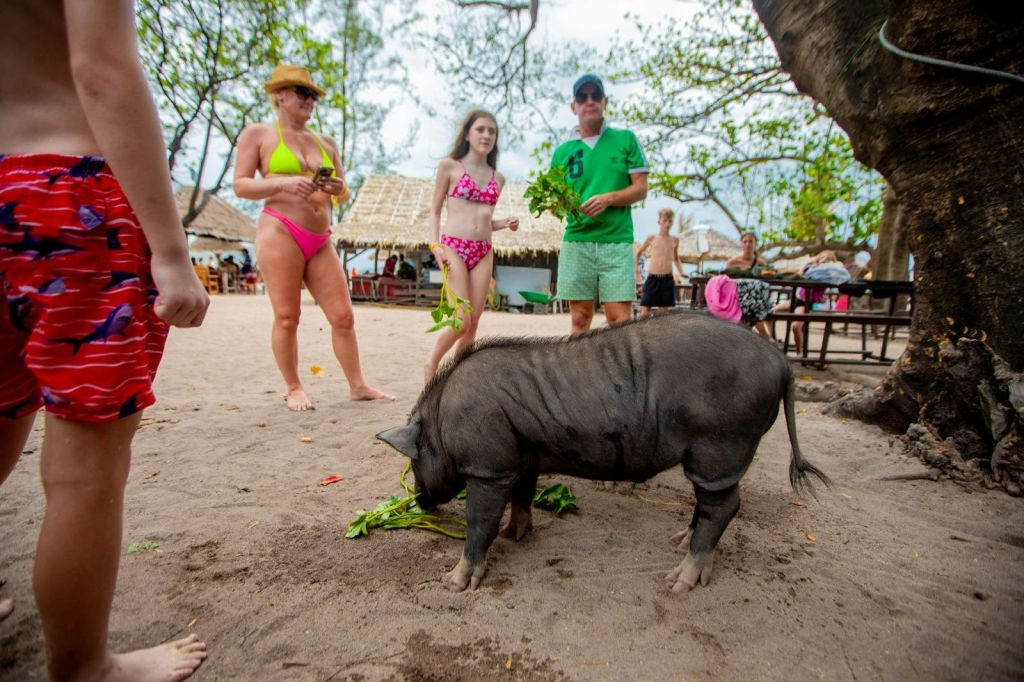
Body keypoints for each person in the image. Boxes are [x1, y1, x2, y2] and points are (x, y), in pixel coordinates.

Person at [0, 2, 210, 679]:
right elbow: (101, 70)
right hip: (67, 191)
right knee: (84, 470)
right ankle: (84, 665)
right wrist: (171, 251)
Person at [234, 64, 392, 410]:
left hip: (320, 236)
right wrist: (282, 182)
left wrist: (338, 188)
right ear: (280, 95)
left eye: (313, 95)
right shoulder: (258, 134)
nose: (310, 100)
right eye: (302, 92)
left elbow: (343, 191)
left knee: (343, 316)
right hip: (280, 229)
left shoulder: (326, 142)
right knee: (288, 315)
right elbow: (241, 185)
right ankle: (294, 387)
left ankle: (357, 384)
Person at [425, 109, 519, 382]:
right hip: (453, 246)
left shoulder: (497, 177)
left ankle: (457, 378)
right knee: (461, 318)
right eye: (480, 129)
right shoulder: (449, 166)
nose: (486, 135)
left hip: (483, 250)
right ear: (467, 133)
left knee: (474, 320)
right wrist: (435, 246)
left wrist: (505, 224)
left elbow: (483, 220)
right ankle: (431, 365)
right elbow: (434, 212)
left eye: (492, 131)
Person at [551, 74, 649, 335]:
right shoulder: (562, 152)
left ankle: (620, 376)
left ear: (604, 101)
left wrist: (608, 199)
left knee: (619, 321)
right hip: (577, 240)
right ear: (574, 106)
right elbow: (557, 203)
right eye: (582, 97)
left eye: (595, 96)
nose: (589, 101)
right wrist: (559, 205)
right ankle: (580, 376)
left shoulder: (625, 139)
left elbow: (641, 188)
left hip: (615, 241)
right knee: (579, 319)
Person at [772, 250, 843, 354]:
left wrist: (825, 297)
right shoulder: (810, 269)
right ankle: (773, 342)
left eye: (827, 259)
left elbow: (834, 295)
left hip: (809, 303)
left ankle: (799, 353)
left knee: (796, 326)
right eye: (822, 257)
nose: (823, 261)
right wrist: (807, 265)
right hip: (797, 299)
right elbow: (798, 277)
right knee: (769, 312)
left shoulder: (831, 275)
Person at [635, 208, 683, 317]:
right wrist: (637, 272)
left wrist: (681, 271)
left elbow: (675, 258)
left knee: (663, 312)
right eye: (665, 220)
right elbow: (638, 253)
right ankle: (642, 332)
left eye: (670, 221)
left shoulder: (675, 240)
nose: (667, 223)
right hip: (653, 278)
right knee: (646, 309)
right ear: (659, 221)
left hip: (667, 279)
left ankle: (659, 333)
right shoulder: (652, 238)